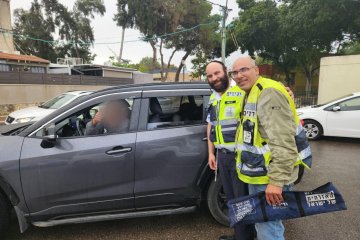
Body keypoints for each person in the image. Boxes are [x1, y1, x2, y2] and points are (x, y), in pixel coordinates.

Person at [231, 56, 312, 240]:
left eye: (244, 70)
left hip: (270, 178)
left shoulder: (268, 93)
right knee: (264, 225)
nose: (238, 75)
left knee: (269, 229)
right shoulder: (252, 91)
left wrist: (276, 182)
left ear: (256, 70)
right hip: (260, 175)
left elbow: (284, 143)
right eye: (235, 72)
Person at [205, 60, 255, 240]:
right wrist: (211, 152)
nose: (214, 78)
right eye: (210, 76)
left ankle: (246, 237)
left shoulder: (242, 92)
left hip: (240, 156)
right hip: (222, 156)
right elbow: (211, 126)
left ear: (226, 72)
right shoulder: (213, 97)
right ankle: (240, 235)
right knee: (232, 199)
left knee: (243, 201)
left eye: (217, 73)